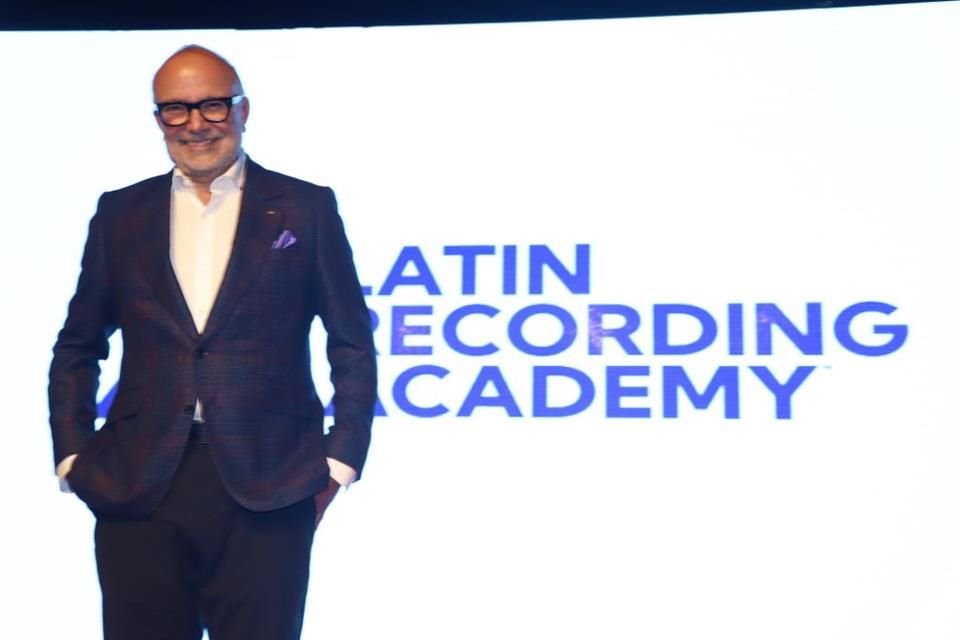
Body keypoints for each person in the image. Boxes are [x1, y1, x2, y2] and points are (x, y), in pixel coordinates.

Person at [47, 45, 377, 640]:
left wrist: (340, 459)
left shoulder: (305, 207)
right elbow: (78, 344)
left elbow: (352, 341)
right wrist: (74, 457)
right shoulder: (120, 214)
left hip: (269, 483)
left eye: (213, 106)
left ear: (244, 110)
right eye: (176, 109)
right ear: (158, 120)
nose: (196, 124)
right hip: (138, 483)